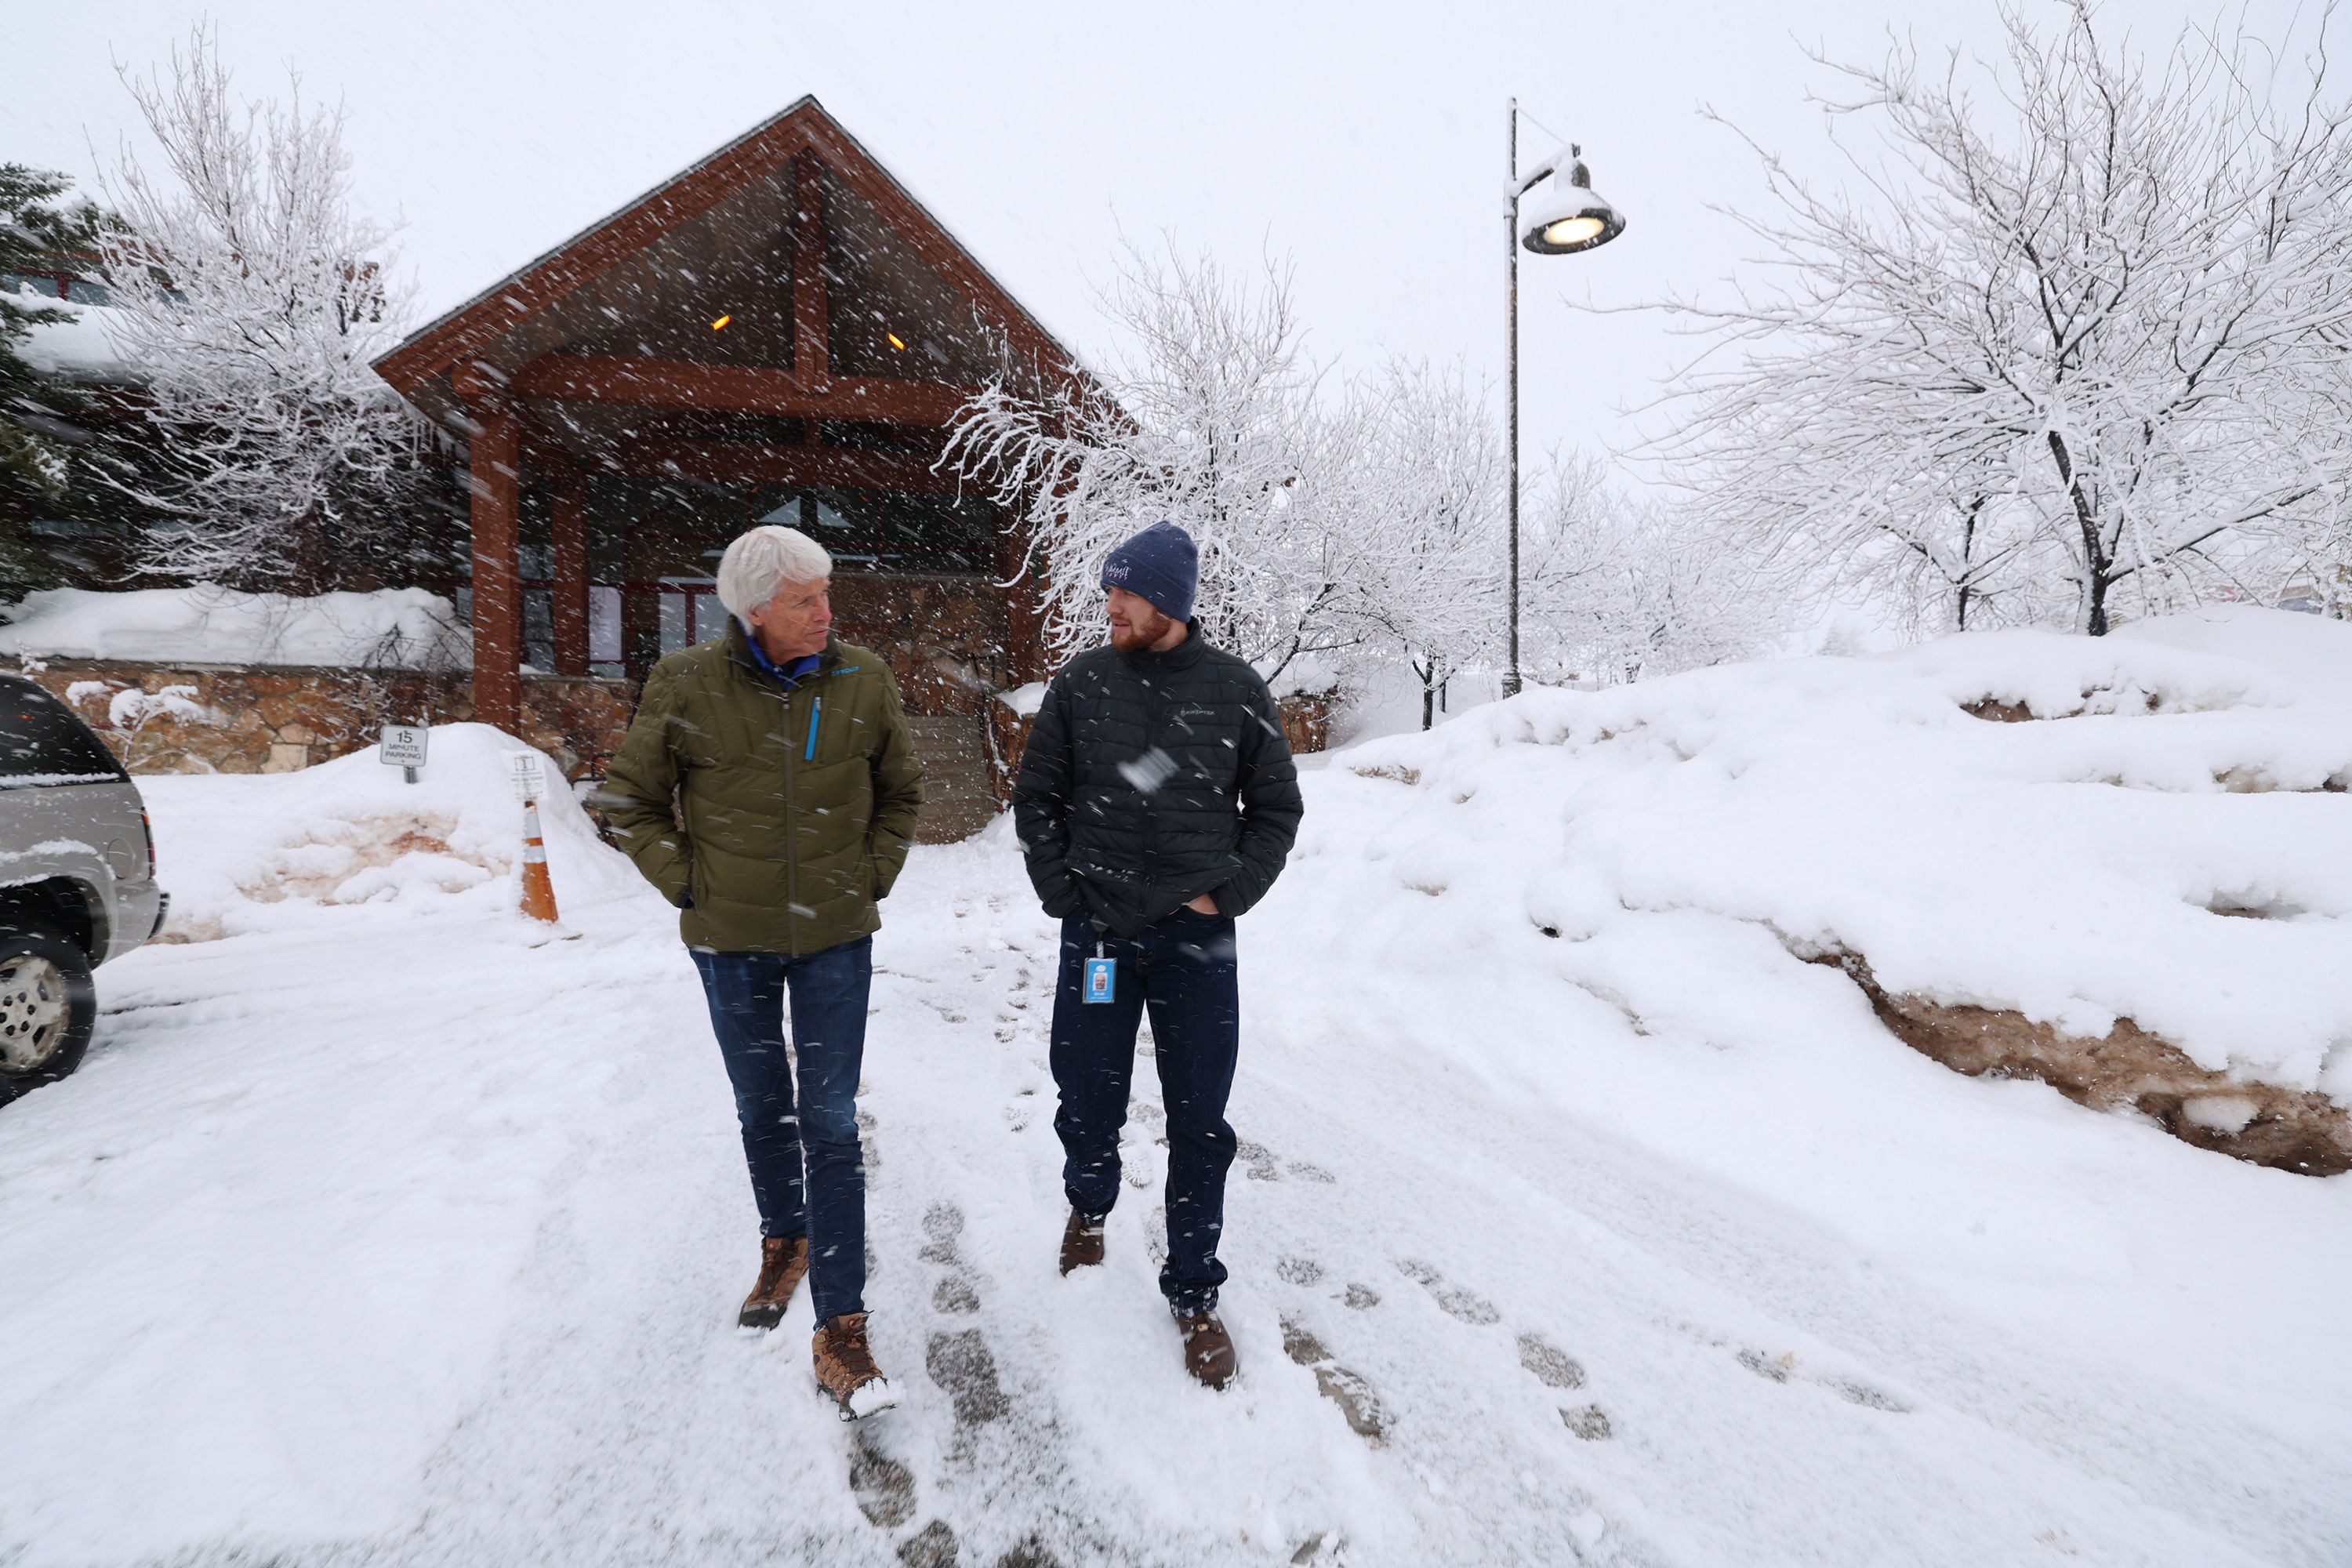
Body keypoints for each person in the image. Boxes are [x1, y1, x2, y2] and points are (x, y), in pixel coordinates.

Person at [601, 524, 922, 1422]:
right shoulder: (686, 684)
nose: (826, 614)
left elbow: (902, 791)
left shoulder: (862, 678)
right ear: (752, 610)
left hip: (834, 940)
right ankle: (784, 1238)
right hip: (729, 940)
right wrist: (688, 884)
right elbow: (629, 797)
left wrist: (870, 874)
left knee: (828, 1119)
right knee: (761, 1106)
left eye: (827, 594)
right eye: (804, 601)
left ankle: (842, 1327)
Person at [1012, 520, 1304, 1389]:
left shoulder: (1235, 689)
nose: (1111, 605)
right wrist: (1065, 892)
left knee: (1199, 1120)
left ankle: (1193, 1291)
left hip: (1196, 939)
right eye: (1110, 591)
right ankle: (1090, 1202)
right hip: (1099, 929)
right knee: (1088, 1085)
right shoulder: (1083, 682)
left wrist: (1231, 890)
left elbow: (1277, 809)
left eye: (1125, 593)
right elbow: (1037, 795)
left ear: (1167, 601)